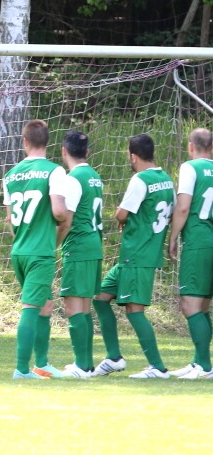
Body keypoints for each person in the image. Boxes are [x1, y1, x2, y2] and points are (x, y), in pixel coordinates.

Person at [91, 133, 175, 378]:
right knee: (100, 297)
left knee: (134, 310)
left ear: (133, 156)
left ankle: (158, 367)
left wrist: (122, 217)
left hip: (138, 255)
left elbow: (121, 214)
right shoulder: (166, 179)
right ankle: (114, 358)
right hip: (135, 256)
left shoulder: (140, 179)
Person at [2, 119, 69, 379]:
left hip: (19, 250)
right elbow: (59, 212)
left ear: (25, 142)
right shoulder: (54, 171)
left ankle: (42, 364)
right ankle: (21, 369)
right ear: (47, 142)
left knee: (45, 304)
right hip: (40, 252)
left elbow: (10, 218)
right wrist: (62, 220)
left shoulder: (11, 175)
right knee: (31, 308)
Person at [167, 128, 213, 379]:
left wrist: (173, 236)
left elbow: (183, 207)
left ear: (190, 146)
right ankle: (199, 362)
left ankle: (205, 367)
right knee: (203, 305)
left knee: (190, 304)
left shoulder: (190, 167)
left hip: (198, 241)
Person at [57, 131, 104, 379]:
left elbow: (66, 220)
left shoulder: (72, 179)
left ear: (64, 151)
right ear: (87, 152)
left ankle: (81, 367)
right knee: (84, 308)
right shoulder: (95, 176)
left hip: (79, 246)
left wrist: (53, 244)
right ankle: (86, 365)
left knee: (73, 306)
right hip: (94, 245)